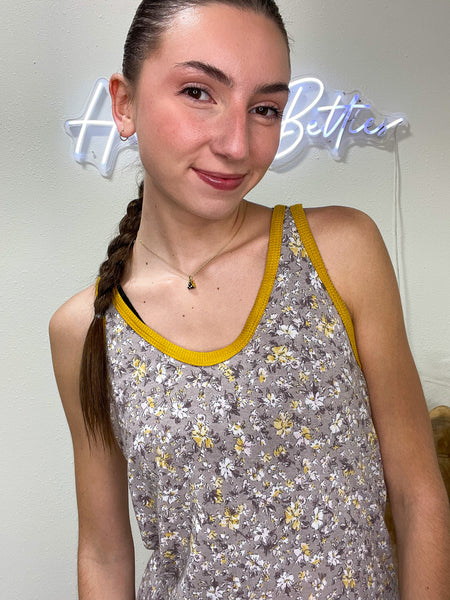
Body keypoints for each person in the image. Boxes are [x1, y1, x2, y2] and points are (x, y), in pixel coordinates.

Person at [49, 1, 450, 598]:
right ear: (124, 103)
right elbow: (104, 551)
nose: (237, 144)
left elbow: (419, 497)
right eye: (198, 92)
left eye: (265, 109)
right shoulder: (86, 329)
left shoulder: (342, 250)